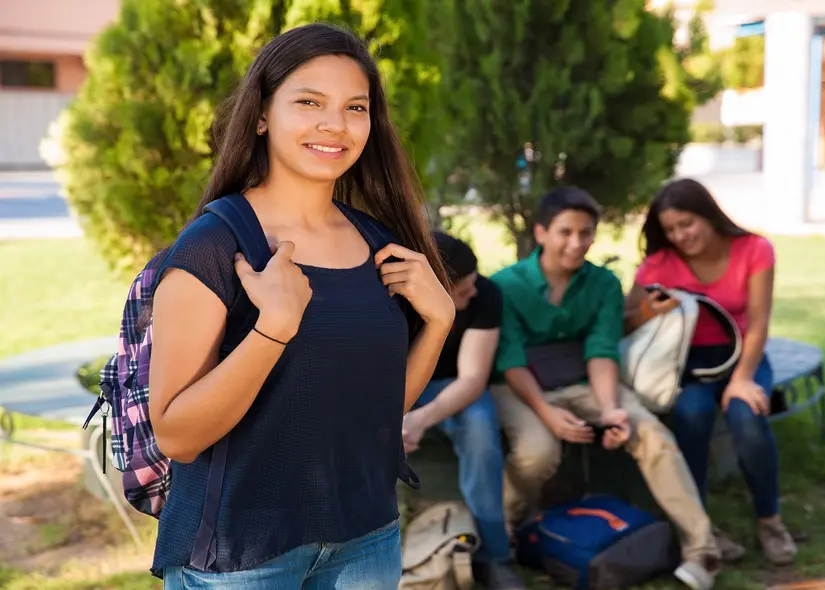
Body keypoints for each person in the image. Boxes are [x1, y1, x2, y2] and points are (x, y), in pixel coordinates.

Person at [146, 23, 455, 589]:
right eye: (309, 101)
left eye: (354, 107)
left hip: (367, 539)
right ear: (262, 114)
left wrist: (438, 323)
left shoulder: (377, 243)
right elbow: (177, 436)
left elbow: (375, 416)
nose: (335, 124)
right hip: (241, 557)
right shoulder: (216, 246)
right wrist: (274, 329)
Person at [490, 187, 722, 590]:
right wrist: (547, 414)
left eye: (586, 233)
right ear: (542, 232)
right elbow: (510, 359)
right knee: (538, 448)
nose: (576, 243)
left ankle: (702, 550)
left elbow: (600, 351)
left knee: (651, 434)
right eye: (565, 232)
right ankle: (501, 529)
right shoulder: (505, 286)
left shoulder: (603, 285)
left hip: (582, 381)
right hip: (519, 386)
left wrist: (611, 408)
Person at [624, 177, 798, 566]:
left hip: (743, 356)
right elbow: (626, 320)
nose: (680, 236)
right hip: (687, 362)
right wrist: (651, 309)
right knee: (692, 414)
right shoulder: (660, 264)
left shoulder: (754, 249)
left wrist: (741, 380)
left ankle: (769, 520)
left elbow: (759, 321)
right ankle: (701, 528)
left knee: (747, 414)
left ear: (708, 214)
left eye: (687, 224)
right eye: (670, 230)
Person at [403, 231, 526, 590]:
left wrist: (421, 419)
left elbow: (473, 378)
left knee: (480, 428)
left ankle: (495, 557)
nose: (472, 292)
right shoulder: (389, 300)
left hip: (454, 385)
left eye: (474, 282)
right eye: (461, 290)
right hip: (395, 382)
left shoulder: (484, 295)